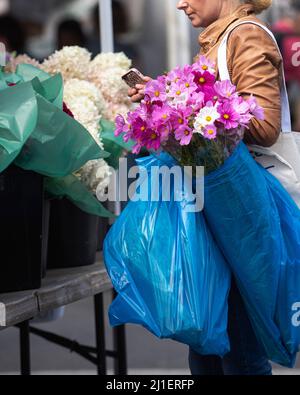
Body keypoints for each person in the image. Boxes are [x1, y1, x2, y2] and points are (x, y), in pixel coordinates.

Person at [129, 0, 279, 375]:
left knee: (238, 349)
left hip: (241, 212)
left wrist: (194, 110)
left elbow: (266, 126)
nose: (180, 4)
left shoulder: (245, 36)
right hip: (218, 212)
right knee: (210, 348)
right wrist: (164, 97)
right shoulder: (215, 40)